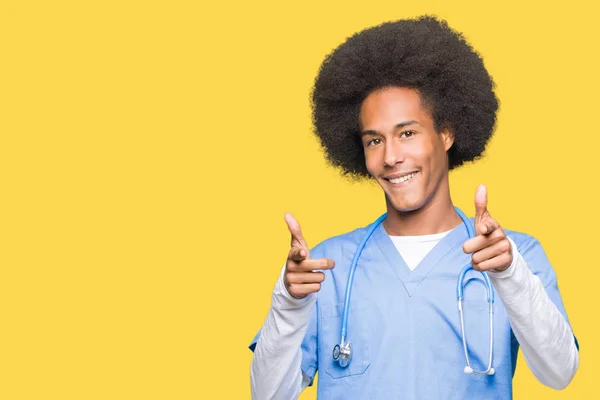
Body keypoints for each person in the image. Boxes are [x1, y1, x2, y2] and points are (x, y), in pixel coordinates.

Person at [248, 16, 579, 399]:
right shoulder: (327, 269)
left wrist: (510, 276)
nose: (391, 157)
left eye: (407, 133)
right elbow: (268, 396)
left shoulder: (511, 256)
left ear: (446, 133)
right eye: (374, 141)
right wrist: (289, 305)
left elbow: (560, 373)